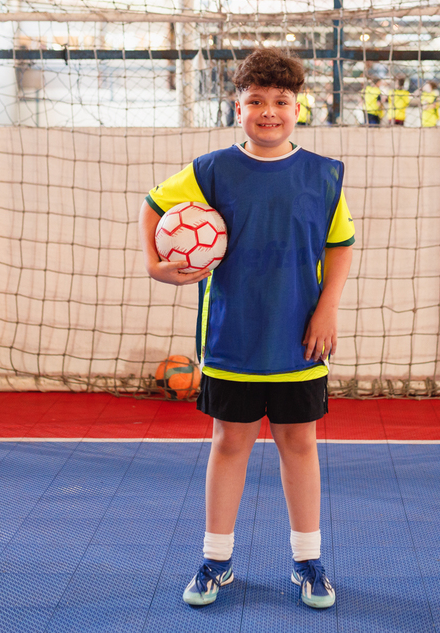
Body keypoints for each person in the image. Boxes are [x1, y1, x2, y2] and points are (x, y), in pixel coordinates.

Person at [139, 47, 355, 611]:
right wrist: (156, 265)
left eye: (280, 101)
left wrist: (327, 308)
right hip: (231, 339)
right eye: (255, 101)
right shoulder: (211, 171)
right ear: (237, 106)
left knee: (299, 445)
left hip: (298, 339)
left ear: (298, 107)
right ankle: (216, 561)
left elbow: (340, 248)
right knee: (229, 443)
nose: (268, 111)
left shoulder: (322, 175)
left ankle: (308, 561)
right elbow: (153, 206)